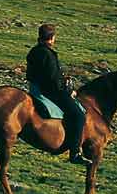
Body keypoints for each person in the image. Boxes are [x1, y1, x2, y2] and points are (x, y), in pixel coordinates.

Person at [27, 23, 88, 165]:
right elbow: (53, 80)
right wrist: (68, 90)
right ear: (52, 37)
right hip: (50, 91)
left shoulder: (34, 51)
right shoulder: (48, 54)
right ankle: (75, 152)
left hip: (36, 88)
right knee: (78, 115)